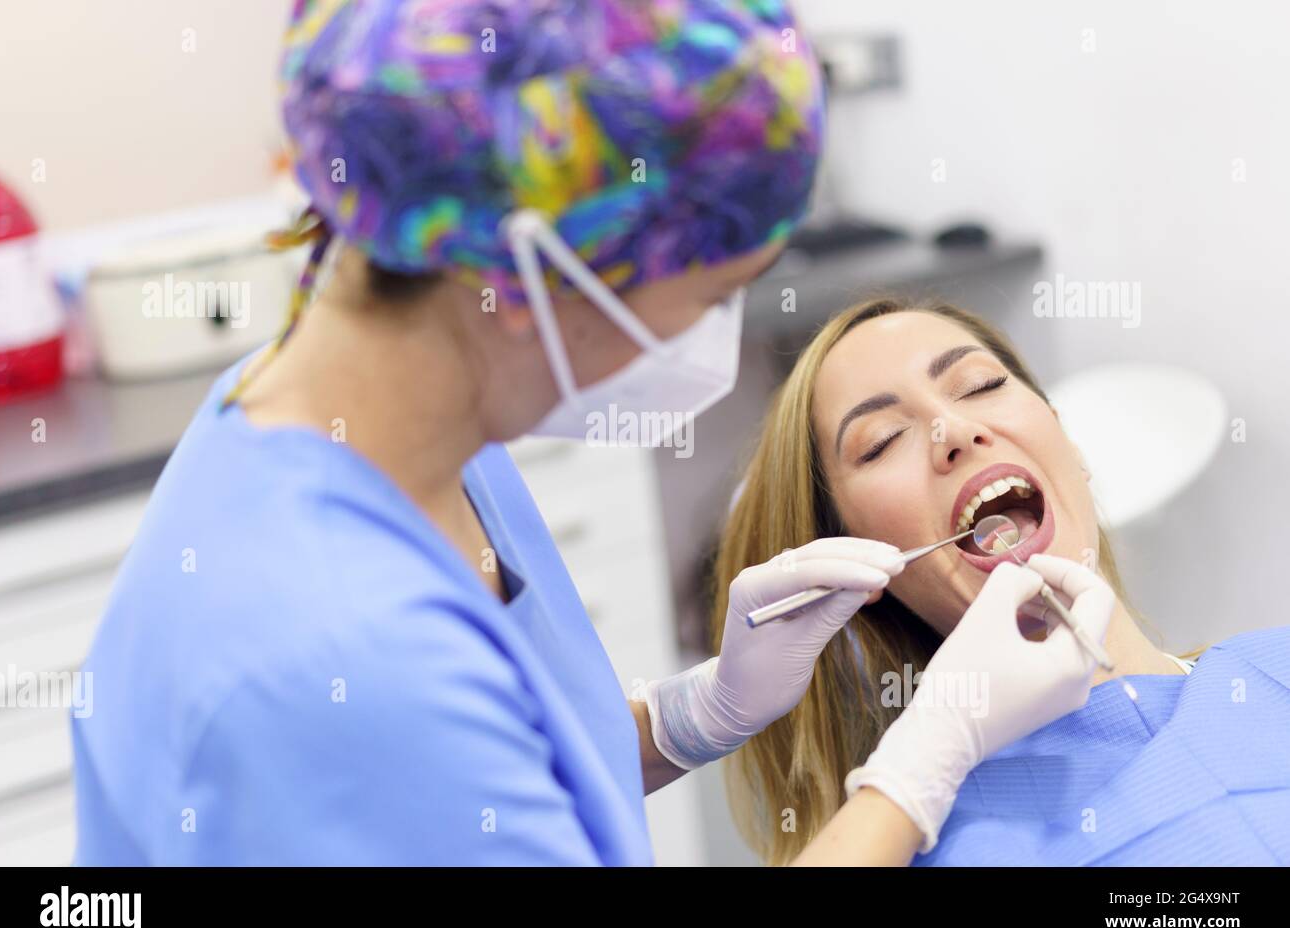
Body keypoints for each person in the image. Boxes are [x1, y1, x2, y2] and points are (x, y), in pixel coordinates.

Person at [72, 0, 1109, 866]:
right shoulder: (332, 662)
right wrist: (918, 768)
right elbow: (418, 756)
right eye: (709, 294)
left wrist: (686, 714)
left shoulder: (416, 445)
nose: (713, 340)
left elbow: (486, 772)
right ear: (529, 275)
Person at [712, 295, 1290, 866]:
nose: (955, 430)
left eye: (981, 385)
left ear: (1069, 443)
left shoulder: (1272, 672)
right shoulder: (921, 839)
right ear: (857, 566)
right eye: (883, 440)